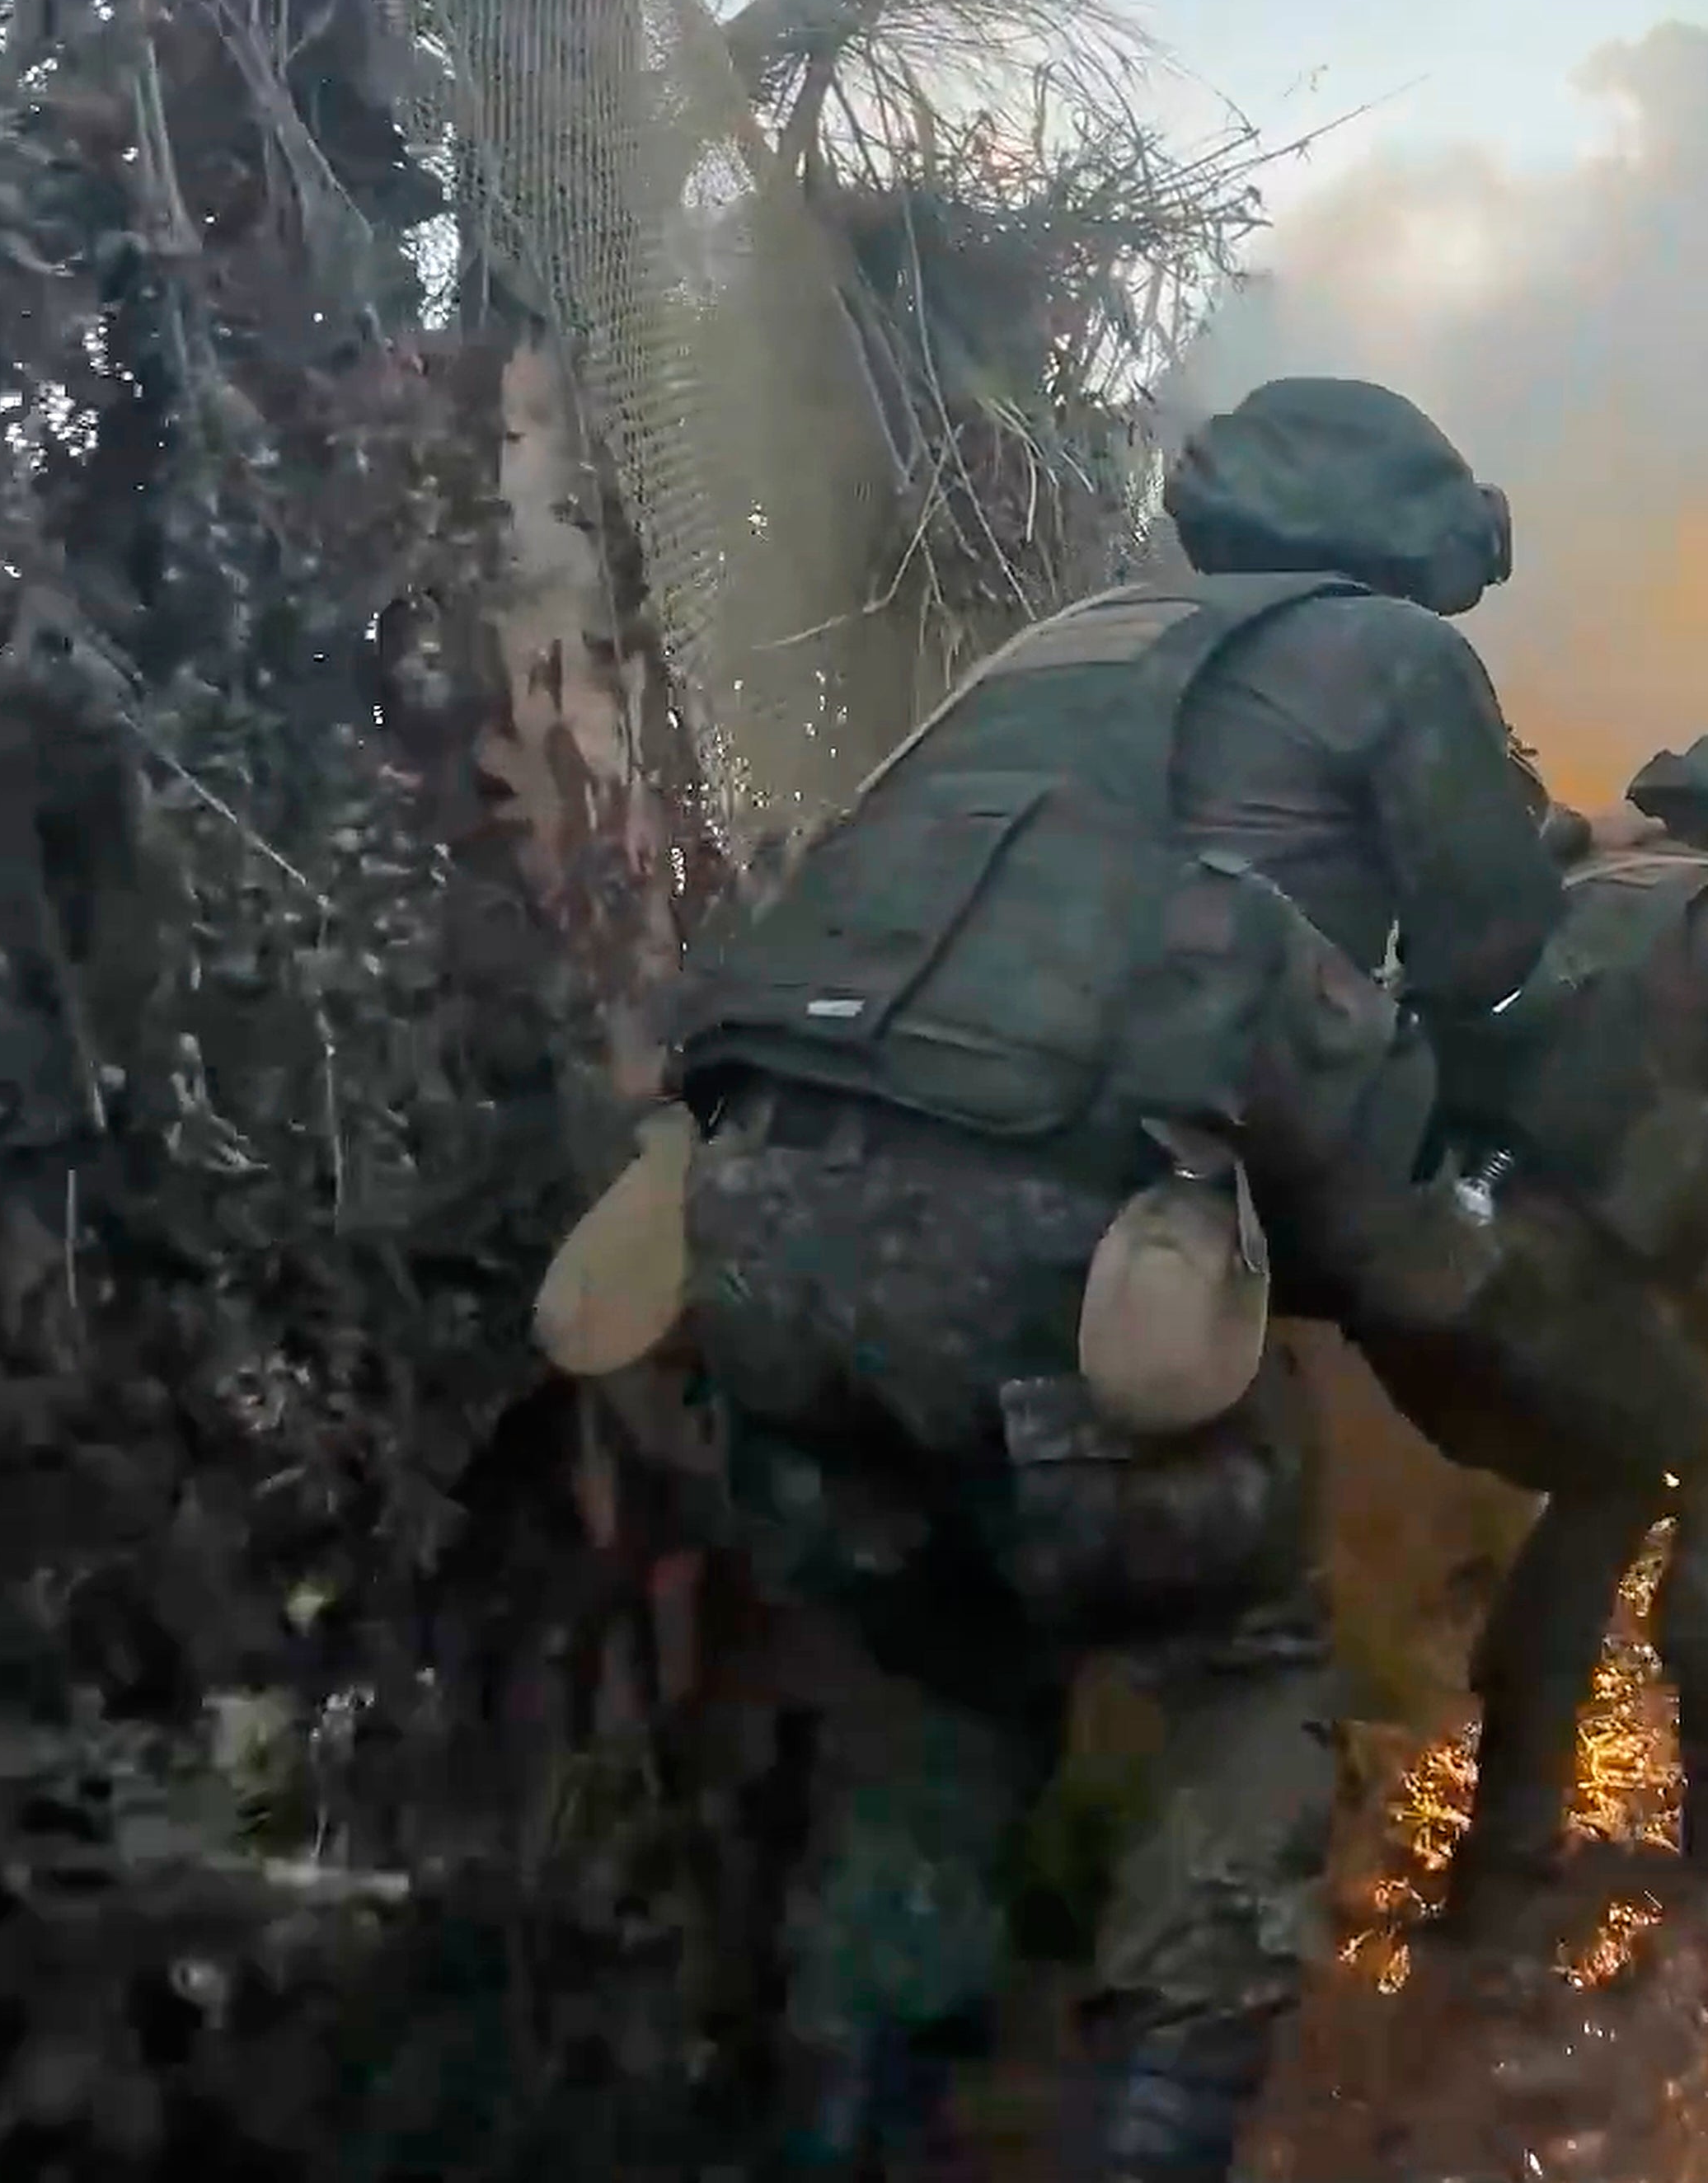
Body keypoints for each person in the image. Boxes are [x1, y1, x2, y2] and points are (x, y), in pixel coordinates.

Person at [636, 377, 1569, 2180]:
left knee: (938, 1689)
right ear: (1409, 531)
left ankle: (851, 2123)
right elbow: (1494, 954)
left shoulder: (1059, 652)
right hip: (1050, 1238)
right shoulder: (1390, 651)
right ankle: (1155, 2128)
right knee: (1247, 1670)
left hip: (753, 1228)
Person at [1351, 731, 1708, 1937]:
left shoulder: (1555, 881)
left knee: (1612, 1476)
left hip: (1411, 1287)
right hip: (1549, 1295)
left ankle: (1508, 1846)